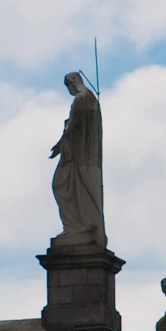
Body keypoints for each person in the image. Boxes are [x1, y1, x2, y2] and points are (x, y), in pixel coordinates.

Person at [49, 72, 106, 248]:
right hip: (78, 155)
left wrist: (61, 145)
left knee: (60, 185)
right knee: (66, 187)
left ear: (73, 83)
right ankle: (76, 227)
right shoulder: (89, 99)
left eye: (68, 86)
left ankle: (76, 227)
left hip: (76, 157)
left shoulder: (82, 99)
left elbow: (75, 129)